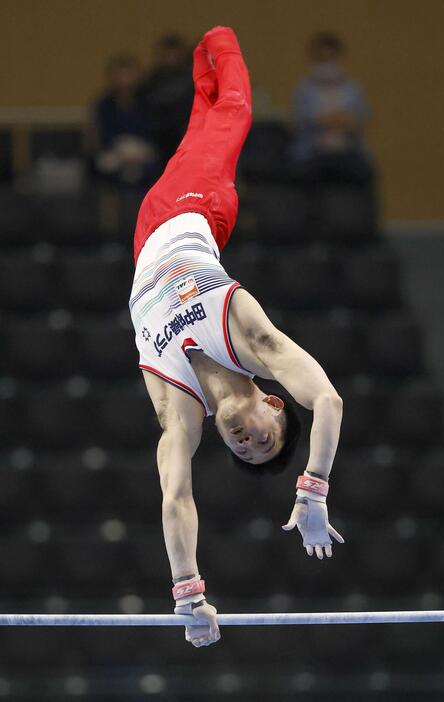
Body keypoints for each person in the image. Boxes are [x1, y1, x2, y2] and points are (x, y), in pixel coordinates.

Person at [129, 27, 344, 649]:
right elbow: (327, 399)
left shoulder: (179, 410)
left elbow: (175, 497)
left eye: (243, 451)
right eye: (262, 437)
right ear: (272, 402)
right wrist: (313, 488)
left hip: (145, 239)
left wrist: (188, 591)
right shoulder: (250, 340)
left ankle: (204, 61)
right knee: (233, 114)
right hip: (197, 209)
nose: (245, 441)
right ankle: (218, 40)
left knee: (206, 124)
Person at [291, 32, 374, 184]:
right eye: (322, 59)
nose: (327, 65)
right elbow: (299, 121)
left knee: (364, 170)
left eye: (331, 59)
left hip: (349, 152)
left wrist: (345, 121)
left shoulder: (353, 89)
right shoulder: (304, 89)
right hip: (313, 153)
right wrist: (325, 121)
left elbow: (363, 119)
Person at [90, 53, 160, 186]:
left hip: (144, 158)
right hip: (113, 157)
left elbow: (155, 136)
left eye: (129, 75)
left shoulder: (149, 103)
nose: (124, 81)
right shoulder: (103, 105)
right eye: (119, 76)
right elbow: (99, 139)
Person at [138, 33, 194, 162]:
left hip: (185, 136)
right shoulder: (149, 83)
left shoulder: (194, 81)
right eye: (167, 55)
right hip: (156, 138)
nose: (171, 59)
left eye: (175, 55)